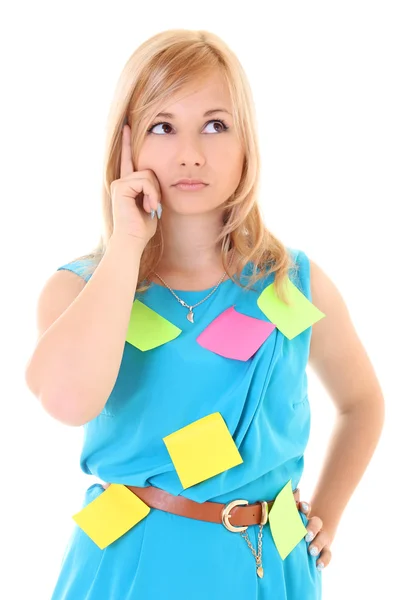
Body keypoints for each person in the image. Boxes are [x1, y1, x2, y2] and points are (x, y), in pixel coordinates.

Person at [24, 28, 384, 600]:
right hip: (132, 567)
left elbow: (363, 403)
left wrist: (329, 516)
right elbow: (69, 402)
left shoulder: (293, 285)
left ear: (248, 146)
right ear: (127, 147)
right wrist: (126, 246)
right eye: (162, 127)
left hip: (272, 569)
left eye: (216, 125)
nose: (190, 152)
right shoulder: (80, 288)